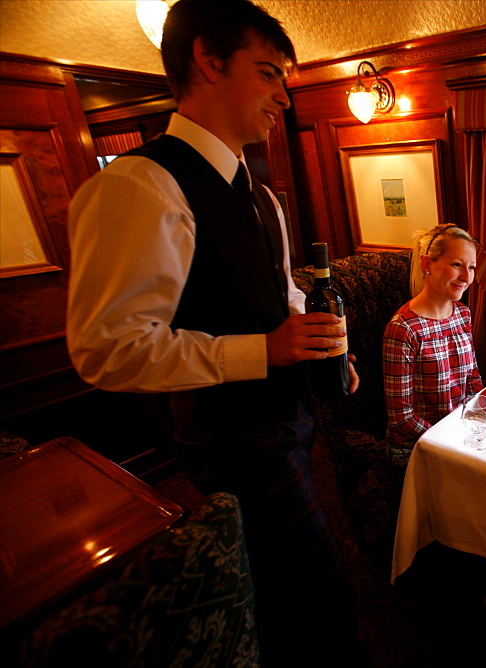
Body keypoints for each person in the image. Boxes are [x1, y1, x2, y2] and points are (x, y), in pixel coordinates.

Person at [65, 0, 360, 661]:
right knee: (323, 597)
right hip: (227, 442)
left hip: (290, 423)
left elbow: (279, 294)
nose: (283, 97)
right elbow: (105, 347)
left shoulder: (263, 197)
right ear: (207, 59)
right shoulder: (141, 187)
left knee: (284, 587)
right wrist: (264, 350)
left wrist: (316, 344)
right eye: (268, 73)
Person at [382, 223, 484, 447]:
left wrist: (484, 421)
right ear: (427, 264)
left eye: (472, 267)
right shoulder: (403, 329)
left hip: (461, 434)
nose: (466, 277)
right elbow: (401, 419)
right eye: (457, 264)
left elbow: (473, 379)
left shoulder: (463, 314)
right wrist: (450, 443)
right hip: (421, 444)